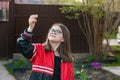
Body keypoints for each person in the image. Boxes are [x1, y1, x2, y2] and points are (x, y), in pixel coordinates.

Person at [17, 14, 74, 80]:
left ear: (63, 39)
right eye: (52, 30)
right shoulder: (39, 50)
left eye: (58, 31)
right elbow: (22, 45)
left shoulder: (67, 61)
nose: (53, 32)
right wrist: (30, 28)